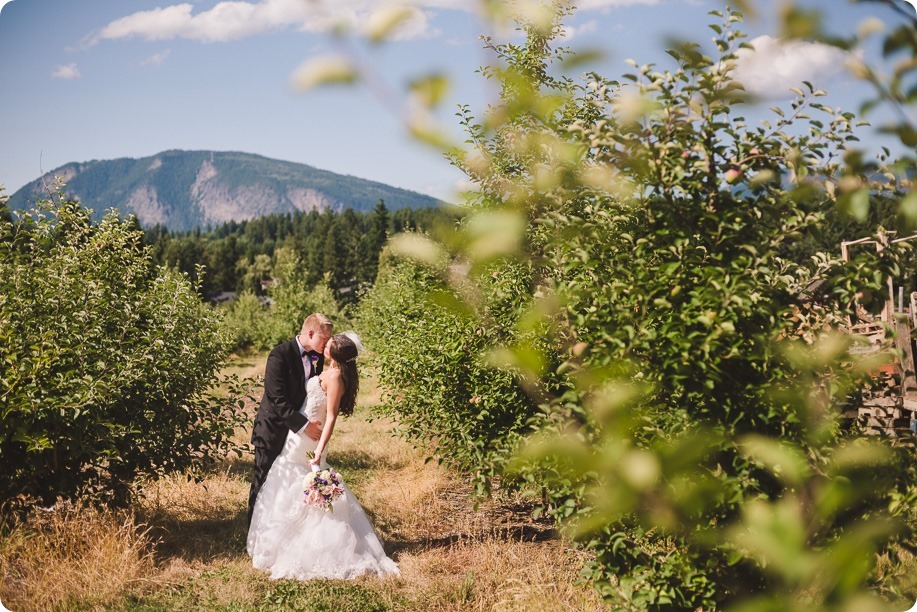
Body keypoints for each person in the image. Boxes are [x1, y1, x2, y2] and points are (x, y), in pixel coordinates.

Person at [247, 333, 399, 580]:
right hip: (298, 434)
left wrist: (319, 449)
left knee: (303, 479)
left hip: (311, 438)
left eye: (328, 344)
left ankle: (315, 544)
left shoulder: (337, 376)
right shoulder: (326, 369)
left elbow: (331, 417)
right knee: (287, 478)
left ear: (334, 353)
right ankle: (282, 538)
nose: (323, 345)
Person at [248, 313, 333, 527]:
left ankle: (283, 528)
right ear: (311, 333)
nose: (326, 343)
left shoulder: (317, 354)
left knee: (285, 484)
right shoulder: (279, 355)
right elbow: (276, 398)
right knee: (263, 483)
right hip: (272, 429)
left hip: (295, 437)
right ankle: (253, 530)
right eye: (324, 338)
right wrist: (304, 426)